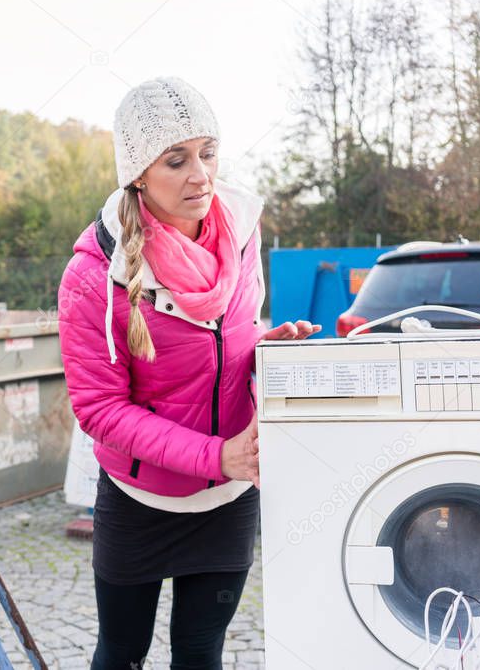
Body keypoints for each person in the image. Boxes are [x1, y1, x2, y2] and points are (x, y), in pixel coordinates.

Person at [58, 77, 319, 669]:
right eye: (176, 160)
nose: (200, 175)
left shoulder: (241, 233)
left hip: (228, 499)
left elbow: (228, 341)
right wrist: (216, 456)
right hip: (139, 499)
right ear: (138, 174)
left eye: (208, 152)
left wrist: (264, 348)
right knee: (121, 652)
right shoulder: (93, 275)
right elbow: (99, 410)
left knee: (201, 652)